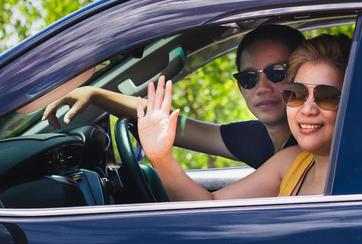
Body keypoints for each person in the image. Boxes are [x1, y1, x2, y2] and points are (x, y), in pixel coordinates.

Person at [41, 23, 305, 168]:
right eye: (249, 78)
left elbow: (208, 206)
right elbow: (172, 125)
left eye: (277, 72)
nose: (262, 86)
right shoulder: (258, 138)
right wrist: (98, 95)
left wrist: (161, 158)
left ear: (302, 76)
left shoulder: (306, 148)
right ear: (240, 87)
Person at [137, 34, 351, 201]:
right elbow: (211, 208)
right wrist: (161, 158)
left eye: (327, 96)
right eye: (297, 94)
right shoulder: (293, 161)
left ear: (353, 100)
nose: (308, 109)